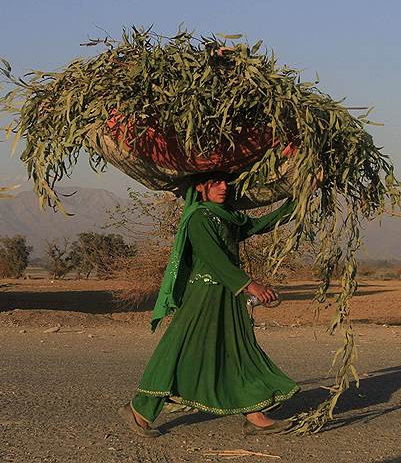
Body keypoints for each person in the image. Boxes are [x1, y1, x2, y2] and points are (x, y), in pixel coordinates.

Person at [119, 173, 299, 437]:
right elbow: (215, 259)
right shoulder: (199, 219)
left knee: (235, 349)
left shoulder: (227, 216)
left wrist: (299, 200)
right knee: (179, 350)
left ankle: (254, 413)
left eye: (227, 181)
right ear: (200, 186)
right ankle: (139, 410)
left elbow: (261, 224)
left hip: (226, 295)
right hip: (203, 296)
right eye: (215, 182)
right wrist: (251, 285)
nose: (224, 187)